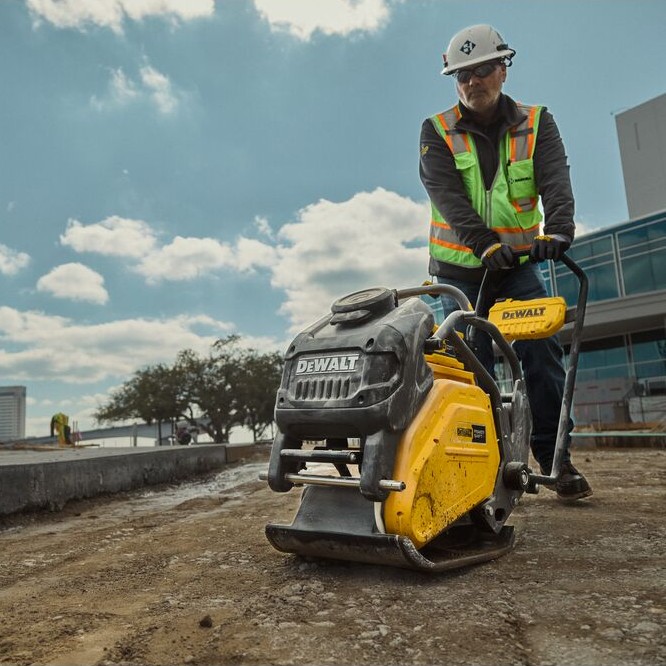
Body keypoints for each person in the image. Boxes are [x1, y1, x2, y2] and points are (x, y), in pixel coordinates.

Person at [419, 24, 592, 500]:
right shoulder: (436, 130)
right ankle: (481, 466)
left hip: (516, 267)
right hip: (459, 273)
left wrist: (558, 231)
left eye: (481, 71)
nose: (472, 82)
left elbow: (555, 178)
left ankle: (556, 459)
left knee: (541, 356)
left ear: (502, 68)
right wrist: (482, 243)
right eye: (462, 75)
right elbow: (447, 195)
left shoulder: (537, 122)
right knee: (467, 368)